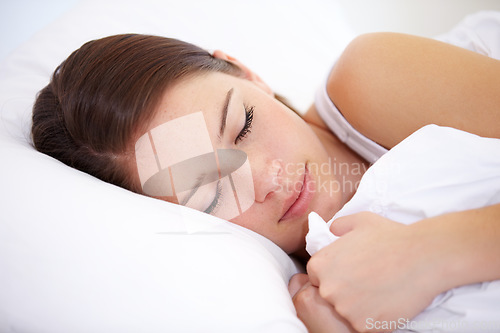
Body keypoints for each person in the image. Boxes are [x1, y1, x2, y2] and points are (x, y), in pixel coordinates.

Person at [31, 12, 500, 332]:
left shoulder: (371, 78)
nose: (267, 177)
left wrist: (434, 253)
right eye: (211, 193)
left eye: (244, 125)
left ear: (248, 74)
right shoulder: (304, 295)